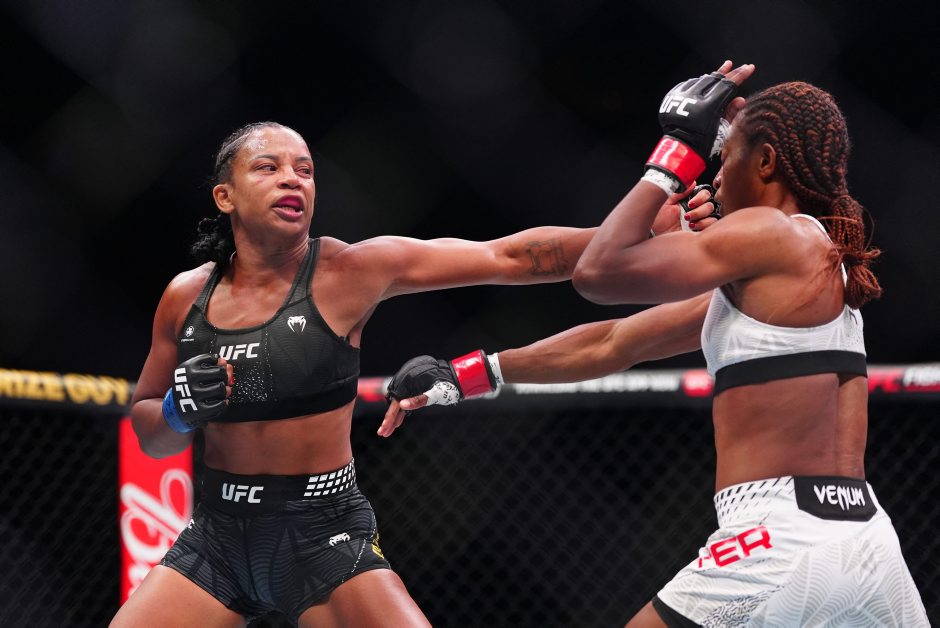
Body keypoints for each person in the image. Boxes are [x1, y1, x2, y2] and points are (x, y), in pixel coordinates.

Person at [383, 62, 929, 626]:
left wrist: (676, 154)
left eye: (726, 158)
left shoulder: (772, 232)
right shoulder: (813, 265)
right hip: (866, 539)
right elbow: (615, 342)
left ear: (765, 162)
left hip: (780, 535)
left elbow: (598, 273)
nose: (715, 179)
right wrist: (467, 374)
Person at [108, 120, 609, 628]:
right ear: (225, 196)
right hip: (217, 539)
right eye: (268, 167)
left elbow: (507, 256)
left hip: (321, 534)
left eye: (305, 170)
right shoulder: (186, 297)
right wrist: (177, 409)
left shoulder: (347, 271)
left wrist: (641, 232)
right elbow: (152, 435)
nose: (292, 178)